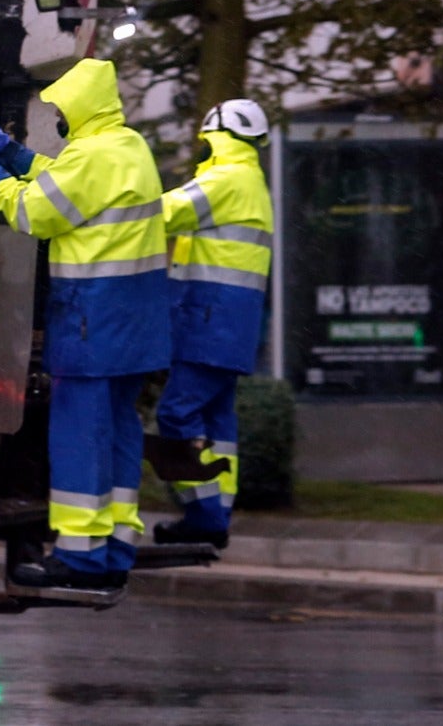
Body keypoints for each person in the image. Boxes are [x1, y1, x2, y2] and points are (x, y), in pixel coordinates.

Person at [0, 58, 171, 590]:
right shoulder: (128, 148)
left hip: (92, 323)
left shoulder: (91, 155)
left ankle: (78, 558)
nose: (56, 117)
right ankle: (114, 551)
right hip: (135, 327)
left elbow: (34, 212)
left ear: (79, 108)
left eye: (59, 108)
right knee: (119, 437)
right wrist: (12, 154)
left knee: (80, 437)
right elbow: (68, 186)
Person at [151, 98, 275, 550]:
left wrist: (109, 212)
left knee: (176, 413)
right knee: (218, 421)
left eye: (207, 138)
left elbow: (162, 213)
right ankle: (217, 514)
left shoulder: (226, 179)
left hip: (209, 321)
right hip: (231, 325)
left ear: (216, 133)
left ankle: (203, 515)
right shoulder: (252, 182)